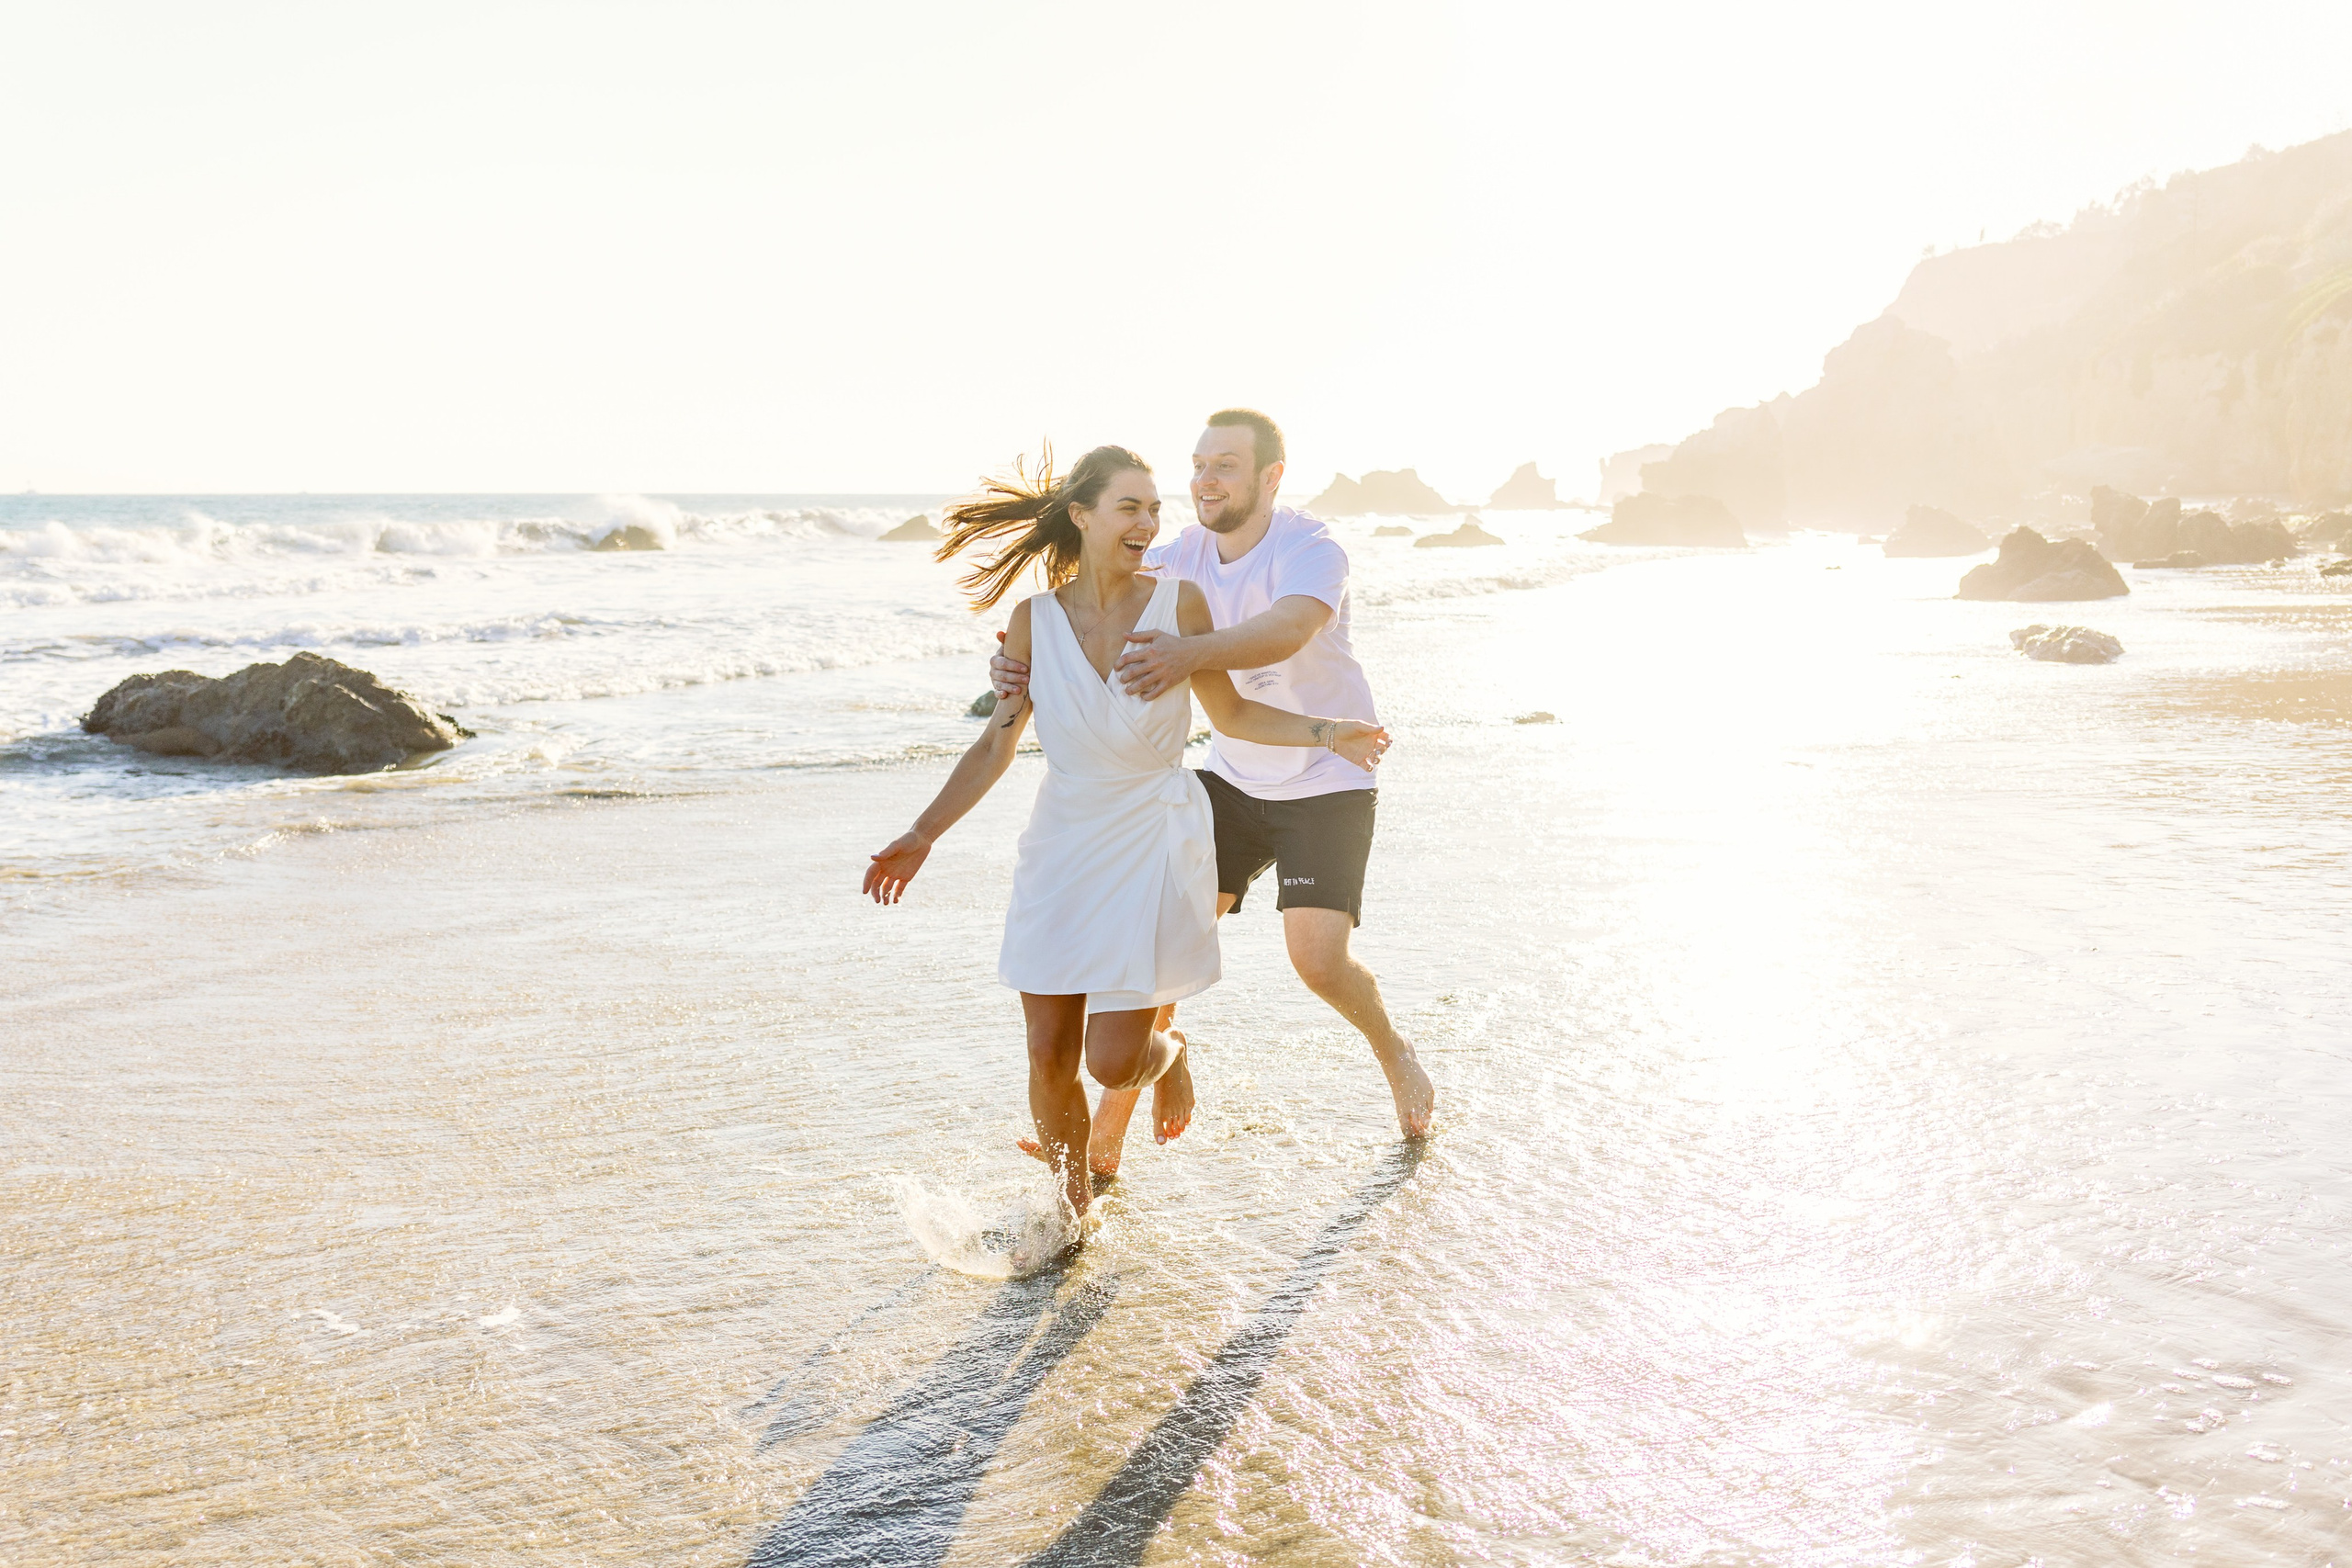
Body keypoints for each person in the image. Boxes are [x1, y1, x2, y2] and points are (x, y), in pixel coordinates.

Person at [863, 444, 1388, 1218]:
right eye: (1129, 507)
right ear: (1082, 516)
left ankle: (1170, 1053)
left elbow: (1233, 715)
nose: (1149, 522)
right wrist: (922, 833)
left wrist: (1327, 730)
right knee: (1047, 1053)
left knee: (1113, 1061)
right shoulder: (1032, 621)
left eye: (1153, 508)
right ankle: (1071, 1215)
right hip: (1063, 839)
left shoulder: (1179, 608)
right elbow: (996, 743)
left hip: (1151, 837)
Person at [991, 410, 1436, 1168]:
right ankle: (1102, 1144)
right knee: (1157, 946)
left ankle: (1393, 1049)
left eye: (1226, 464)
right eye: (1198, 463)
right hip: (1228, 777)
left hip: (1328, 769)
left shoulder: (1309, 549)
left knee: (1318, 962)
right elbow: (1098, 586)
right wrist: (1013, 663)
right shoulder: (1179, 552)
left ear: (1271, 477)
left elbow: (1287, 630)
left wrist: (1187, 652)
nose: (1205, 479)